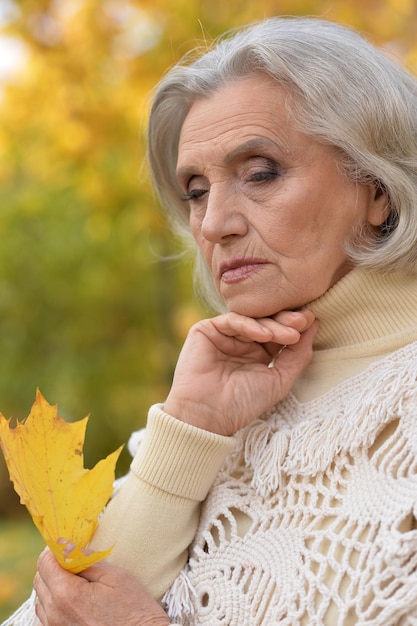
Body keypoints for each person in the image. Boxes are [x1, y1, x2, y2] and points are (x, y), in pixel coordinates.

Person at [5, 14, 417, 626]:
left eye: (260, 173)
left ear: (378, 186)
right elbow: (58, 612)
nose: (215, 222)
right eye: (196, 190)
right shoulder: (202, 414)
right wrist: (191, 427)